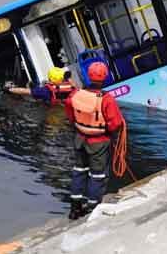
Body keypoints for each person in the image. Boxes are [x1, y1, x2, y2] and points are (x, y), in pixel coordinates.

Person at [64, 62, 123, 220]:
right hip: (98, 141)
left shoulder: (75, 95)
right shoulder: (106, 99)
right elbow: (116, 123)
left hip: (80, 139)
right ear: (105, 76)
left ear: (87, 75)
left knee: (79, 172)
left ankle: (75, 208)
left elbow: (70, 114)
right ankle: (93, 207)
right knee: (97, 175)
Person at [4, 66, 75, 106]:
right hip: (64, 104)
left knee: (31, 94)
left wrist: (9, 89)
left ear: (50, 78)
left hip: (52, 105)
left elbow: (25, 91)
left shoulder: (45, 91)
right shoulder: (71, 85)